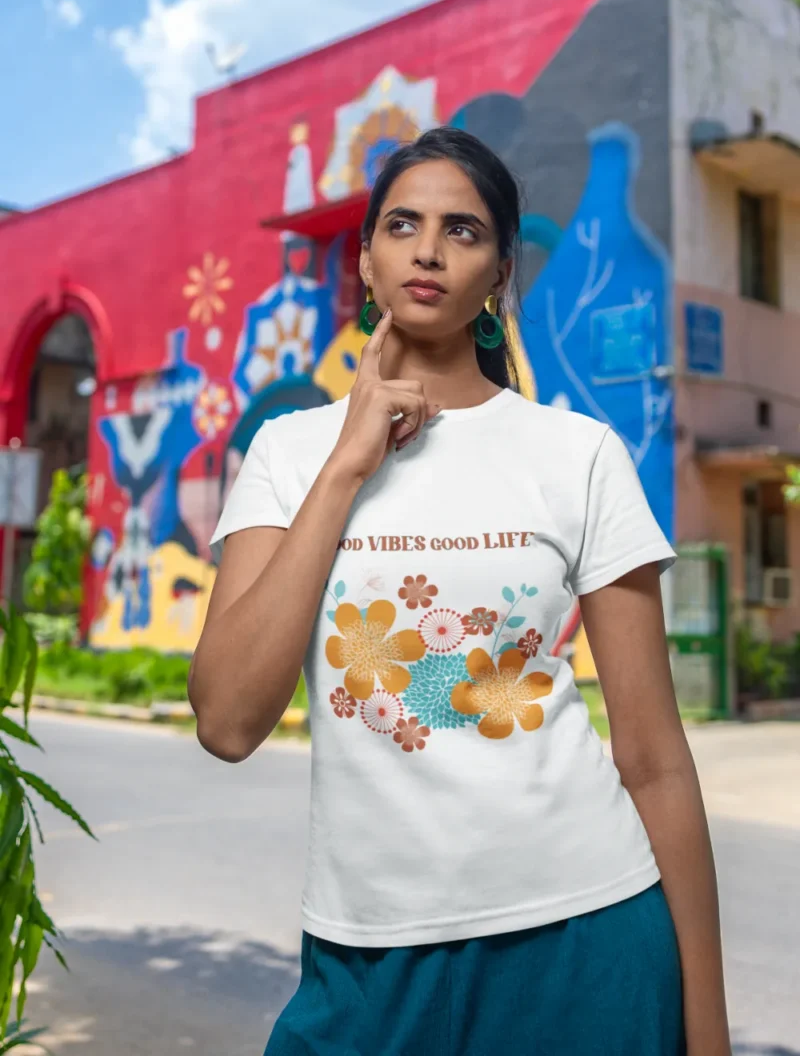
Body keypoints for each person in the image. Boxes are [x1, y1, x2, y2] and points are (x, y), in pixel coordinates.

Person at [189, 127, 731, 1055]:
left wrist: (708, 1033)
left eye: (463, 230)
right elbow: (229, 721)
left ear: (500, 272)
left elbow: (653, 759)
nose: (429, 248)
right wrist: (346, 467)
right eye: (402, 224)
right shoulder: (290, 453)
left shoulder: (578, 454)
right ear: (364, 261)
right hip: (367, 953)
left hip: (585, 933)